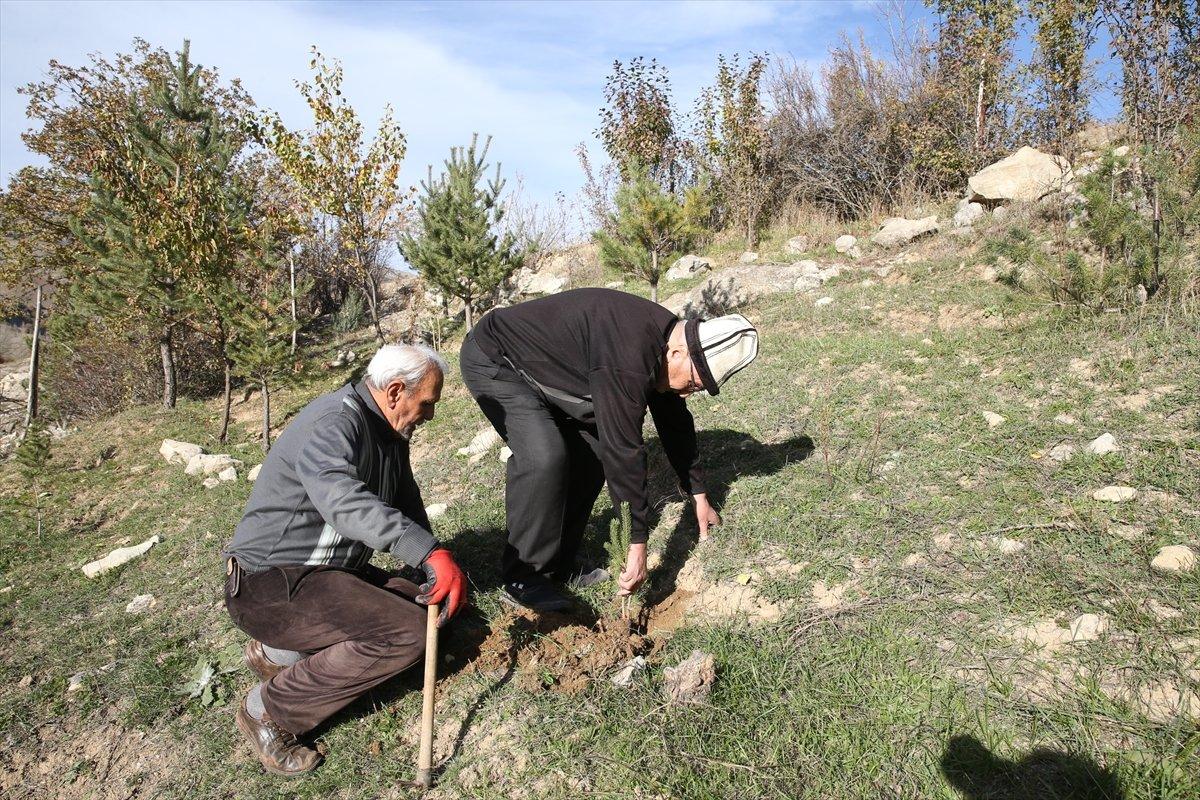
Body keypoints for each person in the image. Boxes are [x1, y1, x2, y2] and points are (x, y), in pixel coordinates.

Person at [222, 343, 467, 777]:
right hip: (272, 583)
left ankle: (280, 654)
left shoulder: (389, 432)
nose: (429, 415)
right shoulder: (336, 421)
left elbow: (404, 500)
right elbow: (342, 499)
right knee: (408, 634)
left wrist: (429, 562)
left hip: (327, 575)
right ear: (395, 391)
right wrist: (426, 551)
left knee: (425, 606)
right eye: (426, 403)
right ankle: (269, 711)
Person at [459, 287, 758, 613]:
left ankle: (558, 563)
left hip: (553, 369)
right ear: (677, 354)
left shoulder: (666, 342)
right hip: (497, 358)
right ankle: (523, 577)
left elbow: (674, 423)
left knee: (591, 458)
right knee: (543, 456)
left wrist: (698, 492)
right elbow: (623, 449)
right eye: (692, 384)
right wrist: (636, 544)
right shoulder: (630, 355)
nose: (686, 394)